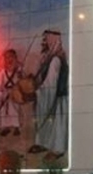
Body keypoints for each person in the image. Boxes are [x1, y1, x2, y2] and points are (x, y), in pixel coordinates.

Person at [29, 29, 68, 158]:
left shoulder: (56, 59)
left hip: (57, 97)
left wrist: (37, 92)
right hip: (49, 94)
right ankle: (42, 143)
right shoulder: (48, 58)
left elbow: (51, 83)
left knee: (57, 124)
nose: (43, 42)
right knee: (45, 120)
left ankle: (58, 149)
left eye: (46, 39)